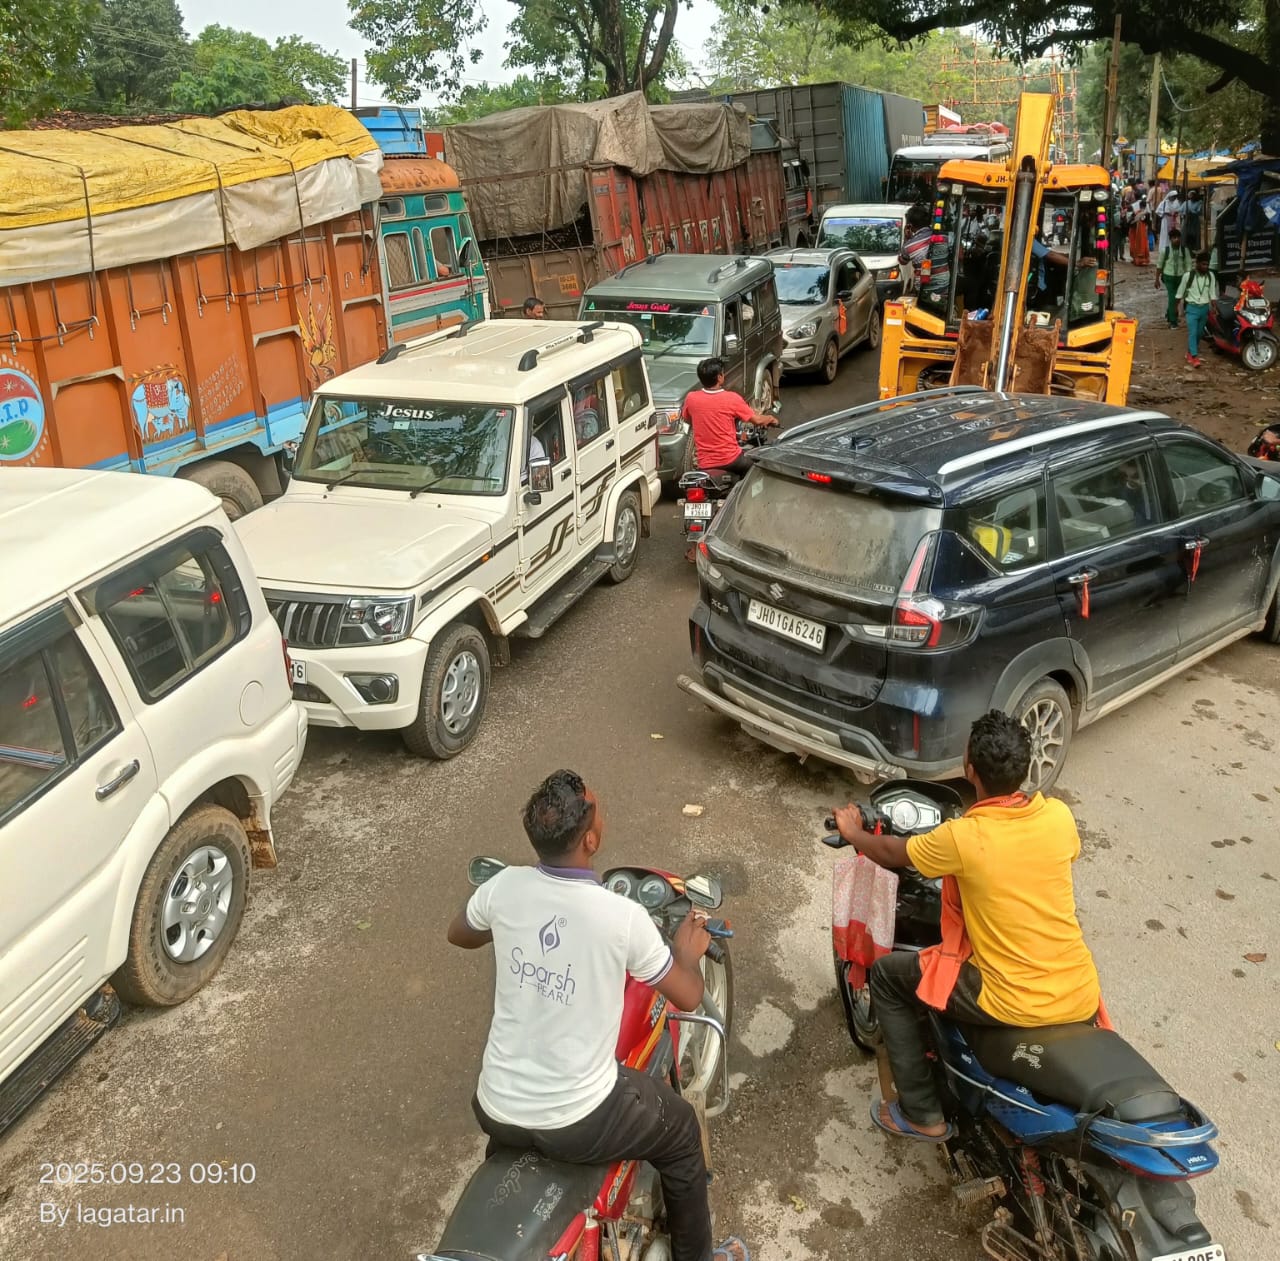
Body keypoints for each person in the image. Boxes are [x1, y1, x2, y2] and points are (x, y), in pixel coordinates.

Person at [448, 770, 749, 1261]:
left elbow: (460, 933)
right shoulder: (620, 917)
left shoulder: (504, 888)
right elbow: (689, 996)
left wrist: (501, 918)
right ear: (591, 838)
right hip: (577, 1118)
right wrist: (688, 950)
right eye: (599, 809)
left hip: (495, 1108)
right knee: (679, 1132)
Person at [832, 711, 1100, 1141]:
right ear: (1026, 768)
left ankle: (921, 1111)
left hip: (1012, 996)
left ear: (969, 769)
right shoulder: (1059, 819)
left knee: (887, 977)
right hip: (1079, 991)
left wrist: (854, 832)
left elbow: (891, 851)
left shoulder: (964, 837)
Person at [680, 356, 778, 477]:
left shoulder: (691, 398)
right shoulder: (732, 398)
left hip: (704, 464)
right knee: (760, 468)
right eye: (722, 373)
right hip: (730, 460)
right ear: (719, 377)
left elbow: (687, 419)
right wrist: (771, 419)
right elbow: (757, 420)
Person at [1177, 251, 1218, 367]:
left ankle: (1190, 352)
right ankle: (1194, 357)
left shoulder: (1211, 276)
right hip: (1191, 308)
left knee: (1200, 333)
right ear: (1198, 264)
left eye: (1207, 264)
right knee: (1193, 332)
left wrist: (1214, 307)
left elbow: (1212, 293)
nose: (1205, 267)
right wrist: (1176, 309)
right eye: (1203, 264)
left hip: (1204, 309)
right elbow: (1179, 293)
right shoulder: (1188, 276)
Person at [1153, 228, 1192, 328]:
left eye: (1178, 237)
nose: (1177, 239)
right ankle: (1173, 322)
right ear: (1170, 239)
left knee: (1177, 299)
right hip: (1168, 277)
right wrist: (1157, 279)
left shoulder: (1184, 251)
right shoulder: (1164, 251)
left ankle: (1169, 313)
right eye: (1174, 238)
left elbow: (1188, 266)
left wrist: (1189, 279)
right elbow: (1159, 266)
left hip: (1181, 277)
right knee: (1173, 298)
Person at [1155, 187, 1181, 254]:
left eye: (1175, 197)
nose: (1174, 198)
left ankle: (1173, 246)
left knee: (1173, 234)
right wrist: (1165, 213)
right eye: (1173, 197)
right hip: (1166, 220)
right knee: (1165, 234)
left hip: (1173, 221)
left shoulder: (1176, 202)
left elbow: (1179, 210)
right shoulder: (1164, 203)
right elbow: (1158, 211)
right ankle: (1164, 248)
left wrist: (1176, 213)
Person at [1128, 198, 1151, 266]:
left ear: (1139, 206)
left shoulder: (1136, 212)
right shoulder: (1147, 213)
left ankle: (1137, 259)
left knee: (1137, 244)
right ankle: (1144, 259)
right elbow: (1149, 223)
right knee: (1144, 244)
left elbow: (1130, 222)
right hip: (1144, 232)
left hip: (1136, 232)